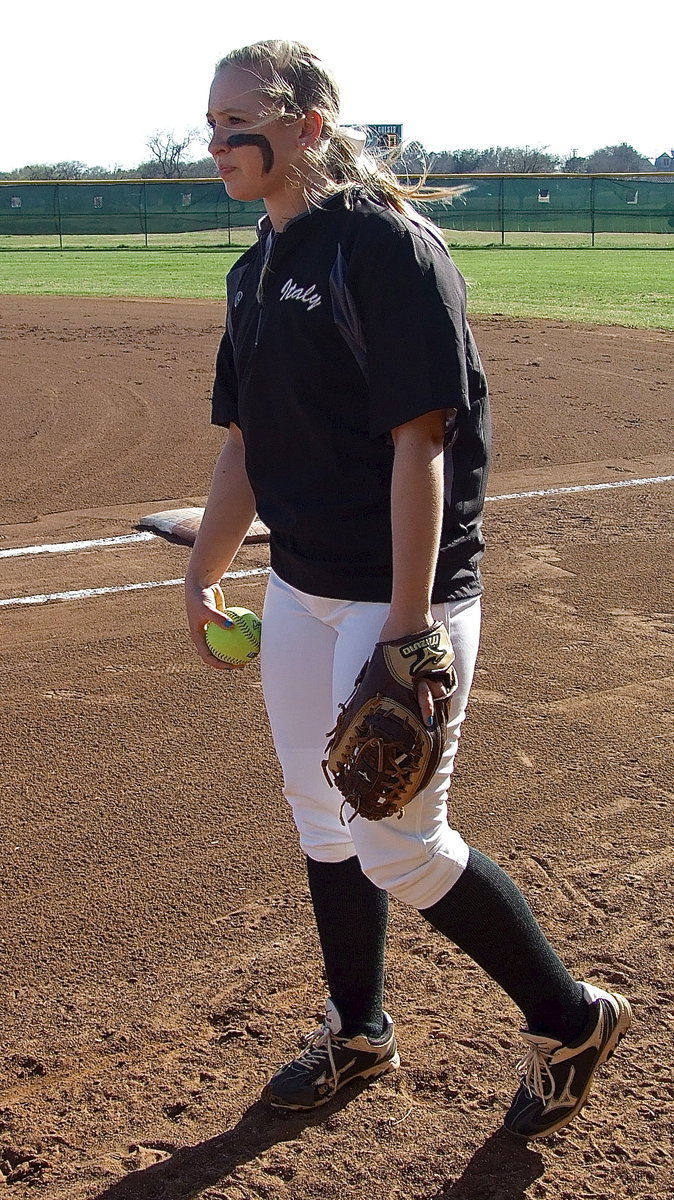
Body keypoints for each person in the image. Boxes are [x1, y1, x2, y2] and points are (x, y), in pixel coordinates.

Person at [185, 39, 631, 1140]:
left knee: (395, 841)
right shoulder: (254, 269)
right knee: (318, 812)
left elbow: (421, 442)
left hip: (399, 596)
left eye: (239, 120)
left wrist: (406, 624)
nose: (217, 142)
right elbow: (243, 444)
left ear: (306, 127)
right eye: (210, 122)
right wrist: (204, 569)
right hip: (301, 586)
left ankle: (569, 1016)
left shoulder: (383, 250)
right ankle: (359, 1028)